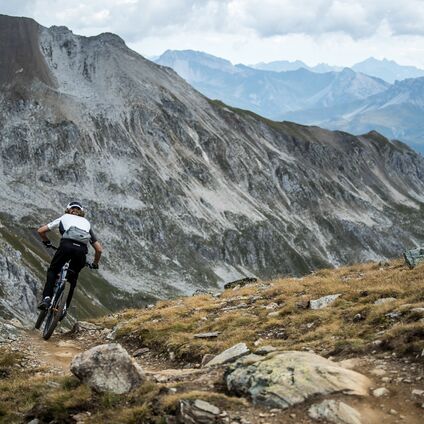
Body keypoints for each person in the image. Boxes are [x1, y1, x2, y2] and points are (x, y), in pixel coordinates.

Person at [37, 201, 103, 312]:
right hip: (81, 251)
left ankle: (47, 298)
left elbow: (41, 231)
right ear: (81, 213)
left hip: (65, 247)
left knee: (53, 271)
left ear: (68, 210)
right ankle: (63, 308)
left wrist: (46, 242)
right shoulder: (86, 223)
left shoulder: (64, 217)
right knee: (72, 279)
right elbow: (99, 250)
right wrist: (95, 263)